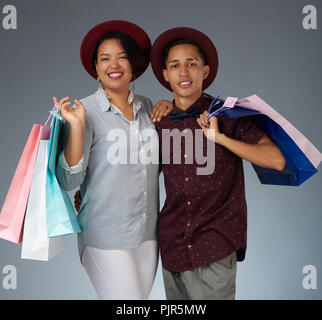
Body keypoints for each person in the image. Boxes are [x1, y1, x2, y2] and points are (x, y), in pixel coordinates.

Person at [150, 27, 286, 300]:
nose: (184, 72)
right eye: (175, 65)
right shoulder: (159, 120)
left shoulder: (227, 115)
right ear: (166, 75)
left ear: (205, 71)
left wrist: (220, 139)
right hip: (172, 245)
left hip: (214, 244)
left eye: (192, 63)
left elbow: (276, 160)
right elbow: (138, 174)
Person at [55, 20, 172, 300]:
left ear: (134, 65)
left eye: (122, 57)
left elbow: (148, 167)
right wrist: (78, 127)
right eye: (104, 59)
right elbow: (68, 180)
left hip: (147, 234)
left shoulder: (147, 107)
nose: (114, 65)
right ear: (95, 68)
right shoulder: (84, 111)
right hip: (105, 236)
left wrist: (171, 106)